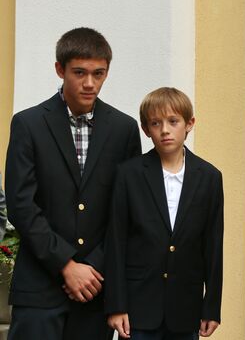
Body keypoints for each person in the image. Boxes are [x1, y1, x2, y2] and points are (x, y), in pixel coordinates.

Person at [5, 27, 142, 340]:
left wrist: (92, 267)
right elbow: (21, 205)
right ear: (60, 69)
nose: (90, 83)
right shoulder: (28, 124)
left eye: (99, 73)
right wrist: (66, 264)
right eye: (79, 73)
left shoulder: (124, 129)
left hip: (95, 289)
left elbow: (126, 212)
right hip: (38, 290)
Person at [104, 87, 223, 340]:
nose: (165, 130)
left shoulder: (210, 177)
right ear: (146, 129)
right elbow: (116, 242)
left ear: (189, 123)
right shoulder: (129, 174)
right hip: (139, 308)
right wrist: (116, 305)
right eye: (155, 123)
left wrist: (211, 307)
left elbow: (213, 245)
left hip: (186, 308)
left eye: (173, 121)